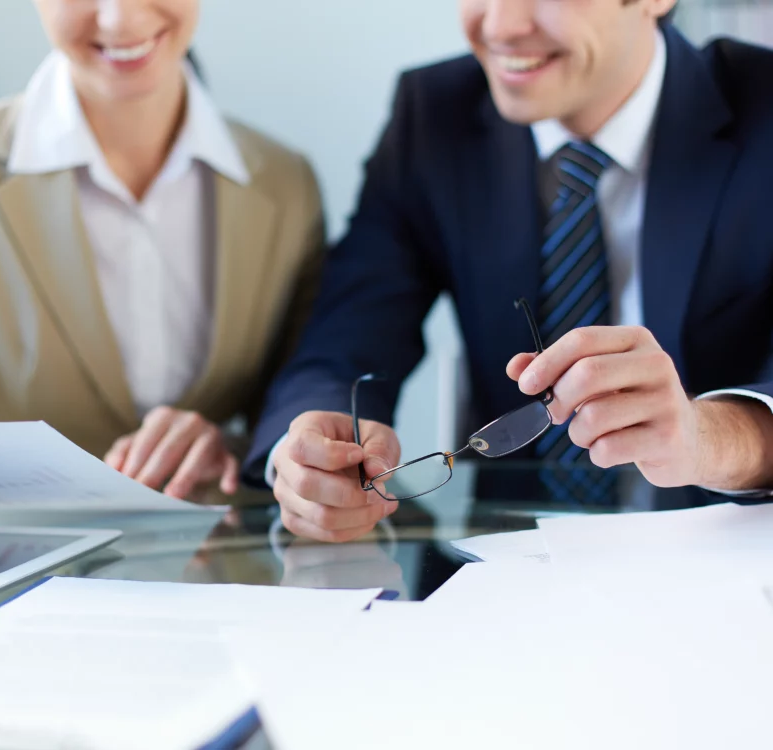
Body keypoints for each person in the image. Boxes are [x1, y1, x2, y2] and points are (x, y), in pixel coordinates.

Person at [245, 0, 773, 543]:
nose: (499, 27)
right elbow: (344, 340)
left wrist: (708, 437)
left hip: (732, 567)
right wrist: (310, 451)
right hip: (507, 568)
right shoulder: (433, 117)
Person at [0, 0, 326, 534]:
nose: (119, 20)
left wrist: (235, 447)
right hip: (16, 577)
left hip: (232, 574)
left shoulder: (286, 183)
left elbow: (306, 402)